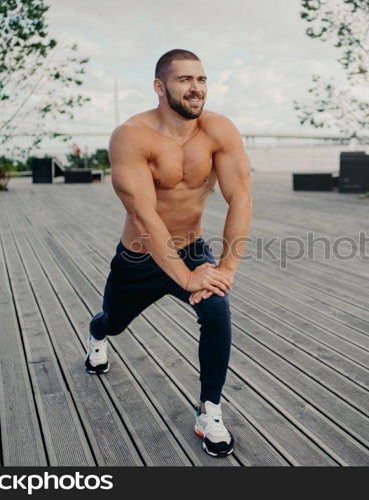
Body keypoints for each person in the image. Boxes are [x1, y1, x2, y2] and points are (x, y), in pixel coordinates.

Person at [86, 49, 252, 458]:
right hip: (139, 257)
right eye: (184, 80)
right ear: (160, 87)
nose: (196, 88)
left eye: (201, 79)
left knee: (216, 311)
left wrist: (225, 267)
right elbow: (142, 214)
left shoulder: (218, 130)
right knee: (114, 321)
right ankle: (96, 334)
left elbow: (241, 197)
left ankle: (208, 409)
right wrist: (185, 277)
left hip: (192, 248)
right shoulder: (131, 136)